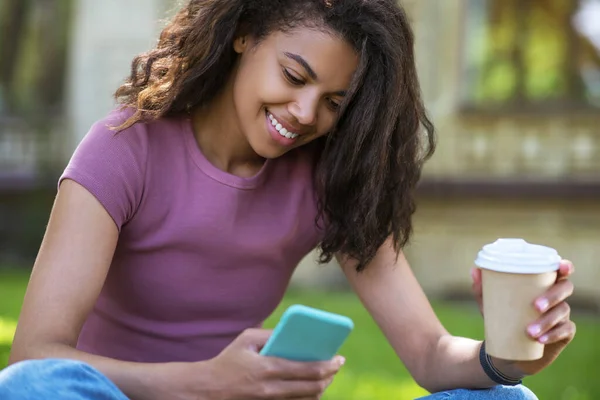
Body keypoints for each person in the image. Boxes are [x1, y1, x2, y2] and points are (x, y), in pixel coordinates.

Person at [0, 0, 576, 399]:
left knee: (509, 398)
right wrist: (202, 384)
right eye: (293, 76)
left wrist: (505, 356)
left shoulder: (328, 177)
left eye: (333, 102)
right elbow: (34, 358)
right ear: (243, 34)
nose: (305, 115)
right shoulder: (125, 147)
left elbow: (429, 352)